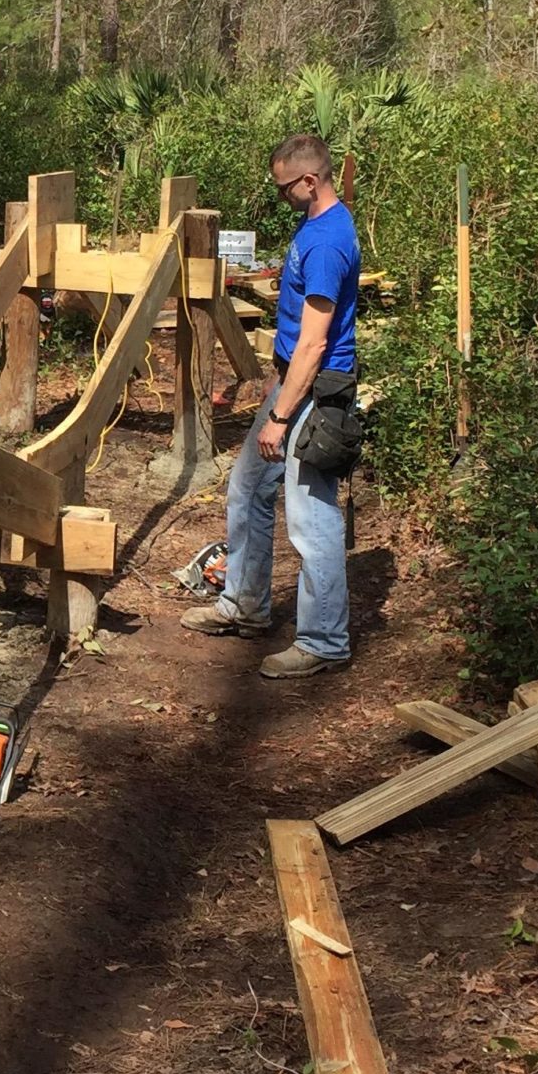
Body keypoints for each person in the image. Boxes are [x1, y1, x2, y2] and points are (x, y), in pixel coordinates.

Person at [181, 133, 360, 678]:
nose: (281, 196)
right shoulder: (313, 226)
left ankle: (324, 641)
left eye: (285, 188)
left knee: (312, 518)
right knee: (246, 487)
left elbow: (315, 342)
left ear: (310, 181)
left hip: (315, 392)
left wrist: (282, 415)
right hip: (292, 383)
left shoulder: (329, 242)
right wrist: (276, 384)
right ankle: (245, 604)